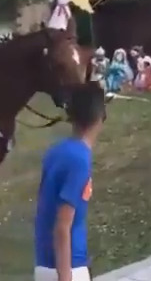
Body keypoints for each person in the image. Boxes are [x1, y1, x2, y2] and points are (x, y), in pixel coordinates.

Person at [33, 83, 106, 281]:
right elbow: (62, 227)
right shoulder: (80, 160)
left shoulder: (56, 152)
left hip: (44, 265)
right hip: (68, 269)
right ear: (100, 117)